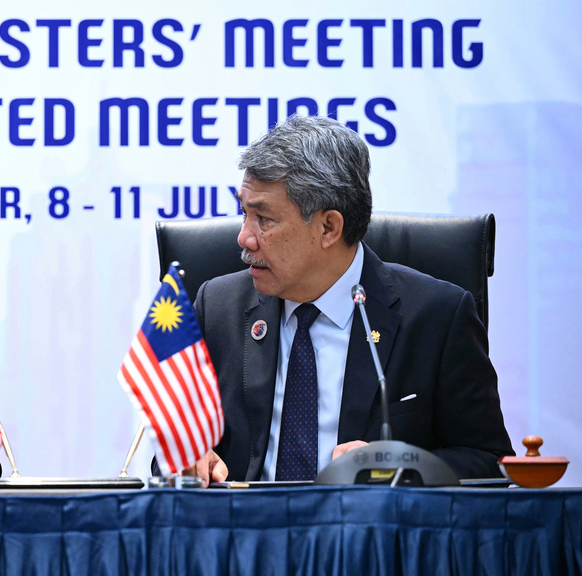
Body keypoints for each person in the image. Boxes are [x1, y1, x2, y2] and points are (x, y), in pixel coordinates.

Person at [185, 115, 513, 486]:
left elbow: (490, 462)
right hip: (246, 535)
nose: (245, 237)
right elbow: (178, 444)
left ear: (329, 228)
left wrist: (396, 467)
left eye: (264, 219)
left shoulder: (436, 316)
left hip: (373, 537)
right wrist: (187, 456)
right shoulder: (218, 307)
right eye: (244, 213)